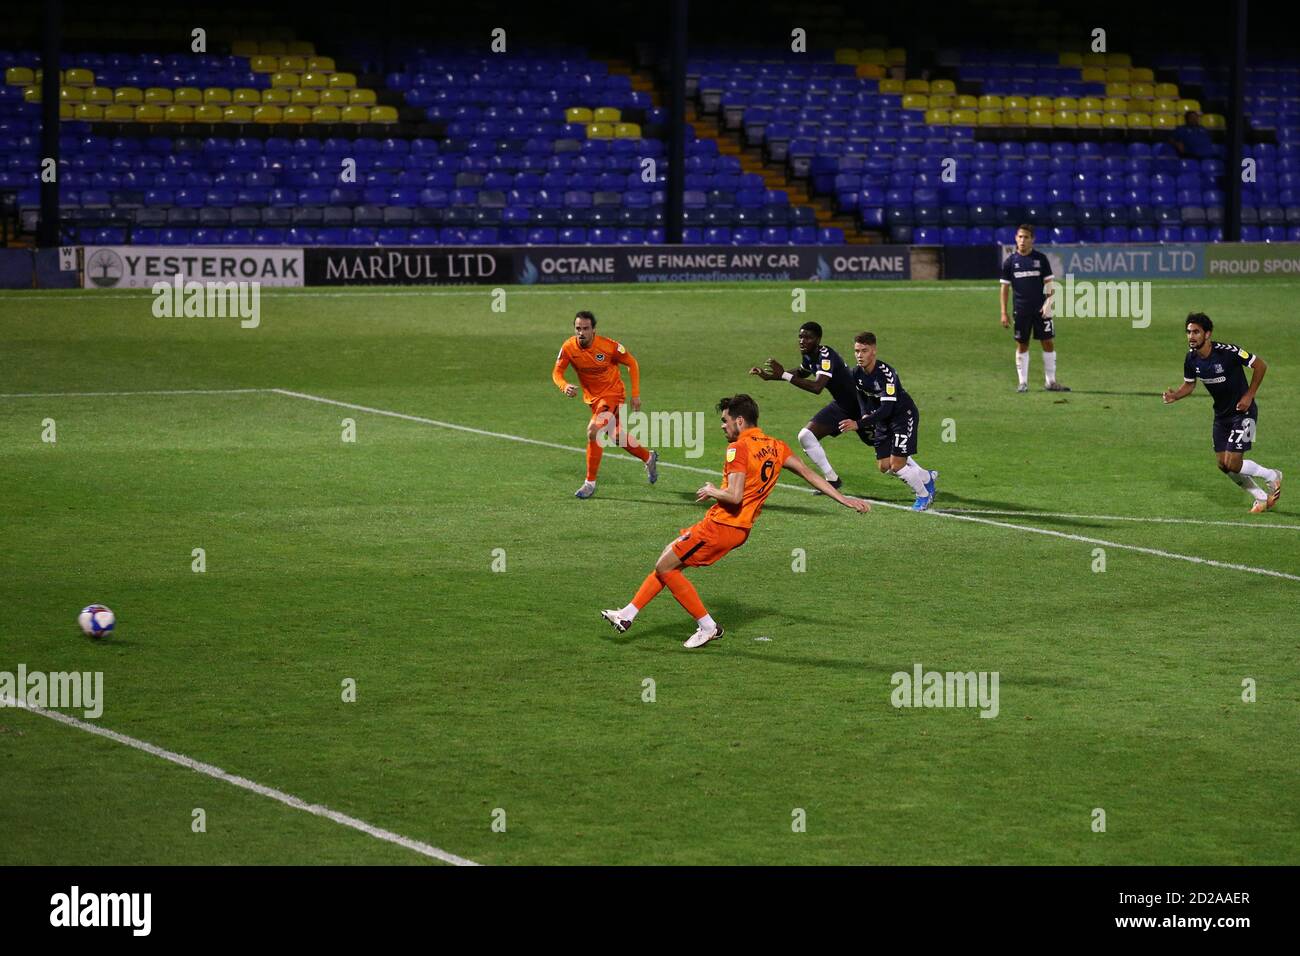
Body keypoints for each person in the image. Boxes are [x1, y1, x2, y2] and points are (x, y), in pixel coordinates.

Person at [601, 394, 870, 648]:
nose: (722, 426)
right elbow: (809, 474)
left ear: (739, 421)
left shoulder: (738, 448)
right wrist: (844, 500)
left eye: (725, 420)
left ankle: (707, 627)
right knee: (669, 555)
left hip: (722, 525)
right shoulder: (775, 446)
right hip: (739, 528)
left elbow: (734, 495)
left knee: (666, 567)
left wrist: (712, 490)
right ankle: (627, 614)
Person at [1162, 313, 1282, 513]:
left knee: (1234, 463)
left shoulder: (1228, 352)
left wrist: (1249, 395)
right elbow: (1189, 385)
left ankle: (1272, 476)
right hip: (1222, 416)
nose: (1191, 336)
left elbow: (1260, 365)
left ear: (1207, 334)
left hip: (1245, 413)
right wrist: (1175, 396)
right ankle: (1261, 497)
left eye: (1196, 332)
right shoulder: (1191, 359)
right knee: (1223, 465)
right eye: (1189, 332)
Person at [748, 321, 862, 493]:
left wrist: (784, 375)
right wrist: (771, 377)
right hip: (842, 406)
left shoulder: (826, 355)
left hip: (862, 408)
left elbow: (817, 387)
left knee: (886, 455)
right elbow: (801, 373)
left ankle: (919, 480)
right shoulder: (809, 355)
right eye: (800, 337)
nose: (802, 340)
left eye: (808, 337)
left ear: (818, 339)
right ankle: (832, 479)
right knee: (806, 436)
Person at [552, 310, 657, 498]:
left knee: (594, 430)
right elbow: (557, 373)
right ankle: (648, 458)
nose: (581, 332)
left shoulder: (608, 346)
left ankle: (589, 484)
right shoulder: (568, 347)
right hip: (593, 400)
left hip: (612, 395)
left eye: (585, 328)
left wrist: (635, 395)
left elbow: (632, 363)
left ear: (594, 330)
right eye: (578, 328)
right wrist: (564, 385)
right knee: (616, 435)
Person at [837, 332, 938, 510]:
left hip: (901, 416)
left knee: (897, 465)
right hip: (881, 418)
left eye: (864, 351)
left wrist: (858, 424)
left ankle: (923, 495)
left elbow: (888, 409)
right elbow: (860, 393)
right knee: (884, 466)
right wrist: (864, 413)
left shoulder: (886, 374)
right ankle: (925, 476)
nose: (859, 355)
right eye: (857, 351)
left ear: (874, 351)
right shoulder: (856, 373)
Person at [1000, 224, 1069, 393]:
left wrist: (1049, 303)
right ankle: (1023, 383)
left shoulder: (1041, 259)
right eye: (1020, 237)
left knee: (1048, 342)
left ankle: (1051, 382)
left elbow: (1049, 284)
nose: (1022, 240)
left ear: (1033, 240)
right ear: (1016, 238)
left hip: (1041, 310)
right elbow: (1004, 288)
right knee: (1022, 344)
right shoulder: (1010, 262)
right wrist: (1004, 312)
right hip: (1021, 311)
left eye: (1026, 237)